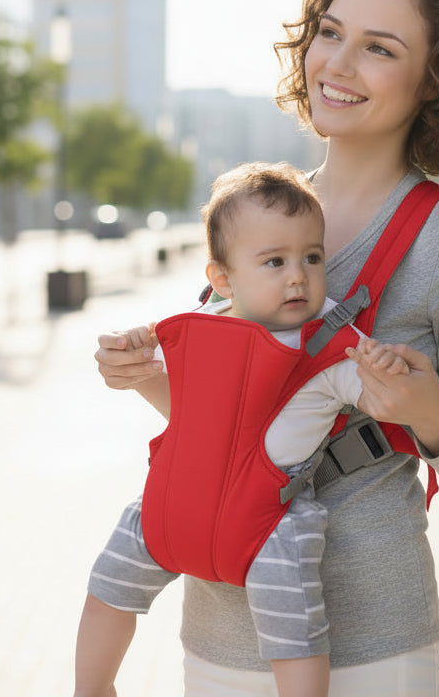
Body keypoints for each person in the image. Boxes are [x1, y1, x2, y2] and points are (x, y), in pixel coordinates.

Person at [92, 0, 439, 696]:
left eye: (379, 48)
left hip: (375, 647)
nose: (339, 64)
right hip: (220, 635)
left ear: (433, 82)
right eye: (331, 32)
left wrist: (431, 410)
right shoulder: (260, 209)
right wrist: (145, 380)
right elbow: (232, 418)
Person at [75, 161, 412, 697]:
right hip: (170, 504)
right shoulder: (201, 323)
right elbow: (169, 382)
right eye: (274, 261)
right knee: (108, 585)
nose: (298, 275)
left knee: (296, 629)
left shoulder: (329, 350)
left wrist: (388, 372)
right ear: (223, 278)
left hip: (266, 525)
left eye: (312, 257)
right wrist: (132, 352)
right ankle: (92, 687)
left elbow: (381, 396)